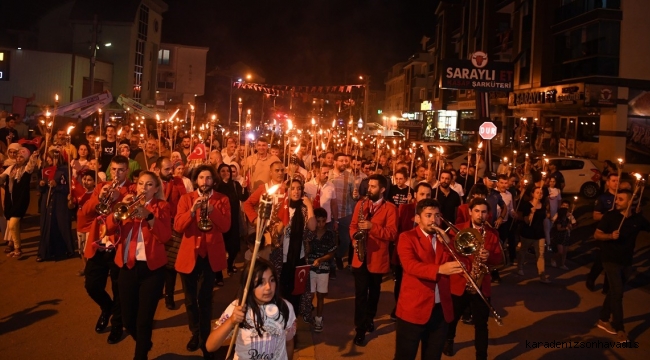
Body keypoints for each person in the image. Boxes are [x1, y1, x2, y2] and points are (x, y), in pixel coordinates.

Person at [104, 170, 172, 360]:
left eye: (149, 184)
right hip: (127, 267)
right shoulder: (127, 202)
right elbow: (108, 229)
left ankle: (140, 355)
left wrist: (150, 217)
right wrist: (118, 212)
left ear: (156, 188)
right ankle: (144, 341)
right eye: (141, 184)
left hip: (152, 270)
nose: (144, 188)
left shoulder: (162, 206)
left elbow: (165, 236)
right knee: (127, 318)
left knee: (144, 320)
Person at [395, 198, 464, 359]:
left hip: (440, 310)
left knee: (433, 356)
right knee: (405, 356)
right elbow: (410, 266)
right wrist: (439, 269)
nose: (434, 220)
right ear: (418, 218)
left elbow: (462, 263)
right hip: (414, 308)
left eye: (437, 215)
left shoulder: (445, 239)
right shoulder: (407, 237)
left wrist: (450, 244)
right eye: (428, 215)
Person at [175, 165, 231, 358]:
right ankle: (195, 333)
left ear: (213, 181)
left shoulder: (222, 199)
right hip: (189, 255)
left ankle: (206, 337)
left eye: (208, 178)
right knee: (190, 300)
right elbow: (178, 226)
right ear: (196, 180)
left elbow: (225, 226)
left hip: (210, 256)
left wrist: (213, 210)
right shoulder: (186, 199)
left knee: (205, 299)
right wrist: (192, 211)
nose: (204, 182)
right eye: (201, 178)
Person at [80, 155, 133, 344]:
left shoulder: (132, 189)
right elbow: (85, 212)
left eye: (120, 170)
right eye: (114, 169)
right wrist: (98, 198)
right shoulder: (101, 187)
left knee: (119, 289)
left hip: (119, 245)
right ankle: (106, 307)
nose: (116, 173)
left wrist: (120, 198)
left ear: (127, 171)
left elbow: (130, 219)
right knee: (92, 285)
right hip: (99, 244)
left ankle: (117, 324)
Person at [444, 198, 503, 359]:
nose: (480, 215)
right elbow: (448, 253)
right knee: (452, 318)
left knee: (481, 324)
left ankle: (481, 355)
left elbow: (498, 259)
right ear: (470, 212)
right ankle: (449, 340)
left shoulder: (492, 234)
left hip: (480, 284)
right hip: (460, 281)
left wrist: (489, 256)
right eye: (477, 211)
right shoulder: (457, 230)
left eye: (484, 212)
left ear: (488, 214)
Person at [205, 258, 296, 358]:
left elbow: (289, 343)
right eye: (261, 282)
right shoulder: (237, 308)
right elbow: (210, 346)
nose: (268, 287)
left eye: (272, 280)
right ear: (248, 285)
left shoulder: (285, 307)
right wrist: (231, 321)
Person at [594, 189, 649, 342]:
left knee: (613, 292)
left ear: (630, 202)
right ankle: (620, 328)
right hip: (610, 259)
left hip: (626, 262)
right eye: (617, 199)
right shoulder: (610, 216)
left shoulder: (637, 219)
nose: (616, 202)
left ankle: (603, 319)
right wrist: (610, 236)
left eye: (620, 199)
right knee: (618, 293)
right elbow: (597, 234)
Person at [350, 174, 398, 346]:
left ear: (382, 189)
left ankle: (370, 317)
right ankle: (360, 329)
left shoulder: (390, 208)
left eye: (373, 186)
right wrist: (356, 241)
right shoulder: (361, 204)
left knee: (374, 292)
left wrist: (372, 227)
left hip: (377, 258)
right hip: (360, 256)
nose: (368, 189)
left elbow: (392, 234)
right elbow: (353, 226)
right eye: (368, 186)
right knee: (361, 294)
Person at [393, 182, 432, 320]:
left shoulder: (434, 213)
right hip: (405, 250)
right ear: (415, 195)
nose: (425, 197)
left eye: (428, 195)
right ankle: (398, 307)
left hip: (424, 253)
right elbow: (398, 229)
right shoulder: (406, 208)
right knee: (400, 282)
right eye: (422, 194)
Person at [154, 157, 187, 310]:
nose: (170, 172)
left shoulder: (178, 182)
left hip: (172, 227)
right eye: (166, 169)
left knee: (170, 264)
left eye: (171, 168)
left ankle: (169, 296)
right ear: (158, 170)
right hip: (155, 226)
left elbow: (184, 201)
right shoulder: (152, 183)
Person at [0, 147, 38, 257]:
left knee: (12, 224)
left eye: (21, 157)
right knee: (13, 226)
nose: (18, 158)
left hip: (20, 201)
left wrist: (34, 157)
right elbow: (2, 179)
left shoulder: (26, 169)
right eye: (18, 156)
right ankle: (17, 249)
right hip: (10, 202)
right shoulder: (11, 168)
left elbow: (31, 164)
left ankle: (18, 248)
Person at [37, 149, 75, 261]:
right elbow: (39, 188)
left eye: (50, 157)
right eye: (47, 157)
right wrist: (41, 184)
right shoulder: (44, 169)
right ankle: (45, 252)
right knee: (47, 225)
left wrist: (57, 185)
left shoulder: (65, 169)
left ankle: (65, 250)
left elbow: (68, 187)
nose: (48, 159)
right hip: (47, 201)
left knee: (61, 224)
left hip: (60, 201)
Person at [215, 163, 250, 275]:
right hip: (220, 220)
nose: (226, 173)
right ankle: (218, 273)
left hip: (233, 220)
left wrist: (244, 188)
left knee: (234, 246)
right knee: (220, 247)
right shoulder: (216, 186)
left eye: (228, 171)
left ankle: (230, 264)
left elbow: (242, 197)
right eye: (223, 171)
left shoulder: (235, 184)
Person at [587, 172, 619, 292]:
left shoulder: (621, 197)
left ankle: (607, 286)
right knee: (603, 259)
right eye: (614, 181)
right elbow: (595, 216)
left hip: (616, 233)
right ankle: (591, 278)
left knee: (612, 260)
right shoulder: (603, 198)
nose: (616, 183)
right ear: (608, 183)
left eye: (618, 181)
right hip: (604, 232)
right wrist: (609, 216)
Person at [308, 207, 337, 332]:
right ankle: (308, 315)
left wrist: (320, 260)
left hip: (323, 269)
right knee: (310, 294)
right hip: (310, 268)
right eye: (318, 221)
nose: (320, 224)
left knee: (320, 295)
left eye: (323, 221)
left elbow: (332, 253)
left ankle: (318, 319)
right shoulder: (310, 233)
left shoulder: (330, 234)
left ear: (326, 221)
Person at [331, 153, 360, 270]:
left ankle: (338, 256)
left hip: (345, 213)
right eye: (341, 161)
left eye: (345, 161)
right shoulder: (328, 175)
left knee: (346, 240)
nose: (344, 163)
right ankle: (331, 264)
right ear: (335, 162)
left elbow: (354, 196)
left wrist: (355, 195)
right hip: (331, 214)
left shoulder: (350, 176)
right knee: (331, 240)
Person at [517, 186, 551, 283]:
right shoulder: (527, 205)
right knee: (523, 251)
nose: (539, 194)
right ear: (532, 194)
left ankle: (542, 275)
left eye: (541, 192)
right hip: (528, 233)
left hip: (539, 234)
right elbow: (526, 221)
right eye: (537, 192)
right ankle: (520, 267)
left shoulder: (543, 205)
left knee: (540, 254)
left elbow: (544, 219)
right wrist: (531, 213)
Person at [73, 170, 96, 276]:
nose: (86, 182)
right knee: (81, 249)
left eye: (90, 180)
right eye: (85, 179)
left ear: (95, 182)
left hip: (91, 225)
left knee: (89, 250)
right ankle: (85, 267)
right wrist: (70, 201)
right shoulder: (80, 192)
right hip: (80, 225)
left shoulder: (96, 194)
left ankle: (91, 269)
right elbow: (72, 206)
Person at [550, 199, 575, 270]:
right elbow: (553, 222)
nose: (565, 207)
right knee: (560, 251)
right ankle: (553, 259)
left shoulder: (570, 215)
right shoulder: (559, 215)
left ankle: (562, 264)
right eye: (563, 205)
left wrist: (571, 226)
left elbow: (573, 224)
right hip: (559, 235)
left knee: (565, 252)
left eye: (566, 206)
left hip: (566, 235)